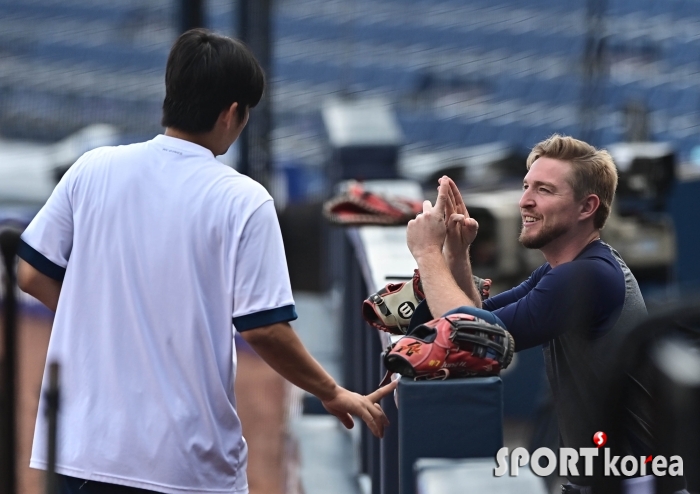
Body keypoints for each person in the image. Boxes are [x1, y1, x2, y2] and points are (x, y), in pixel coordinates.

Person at [16, 28, 395, 494]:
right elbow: (265, 329)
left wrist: (101, 315)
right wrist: (332, 392)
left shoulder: (92, 168)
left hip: (82, 451)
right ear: (232, 113)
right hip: (182, 466)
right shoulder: (243, 200)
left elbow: (31, 272)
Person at [405, 135, 675, 492]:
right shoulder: (559, 271)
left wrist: (427, 254)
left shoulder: (588, 276)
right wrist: (456, 253)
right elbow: (480, 321)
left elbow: (469, 338)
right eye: (526, 186)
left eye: (545, 190)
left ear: (586, 207)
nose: (525, 201)